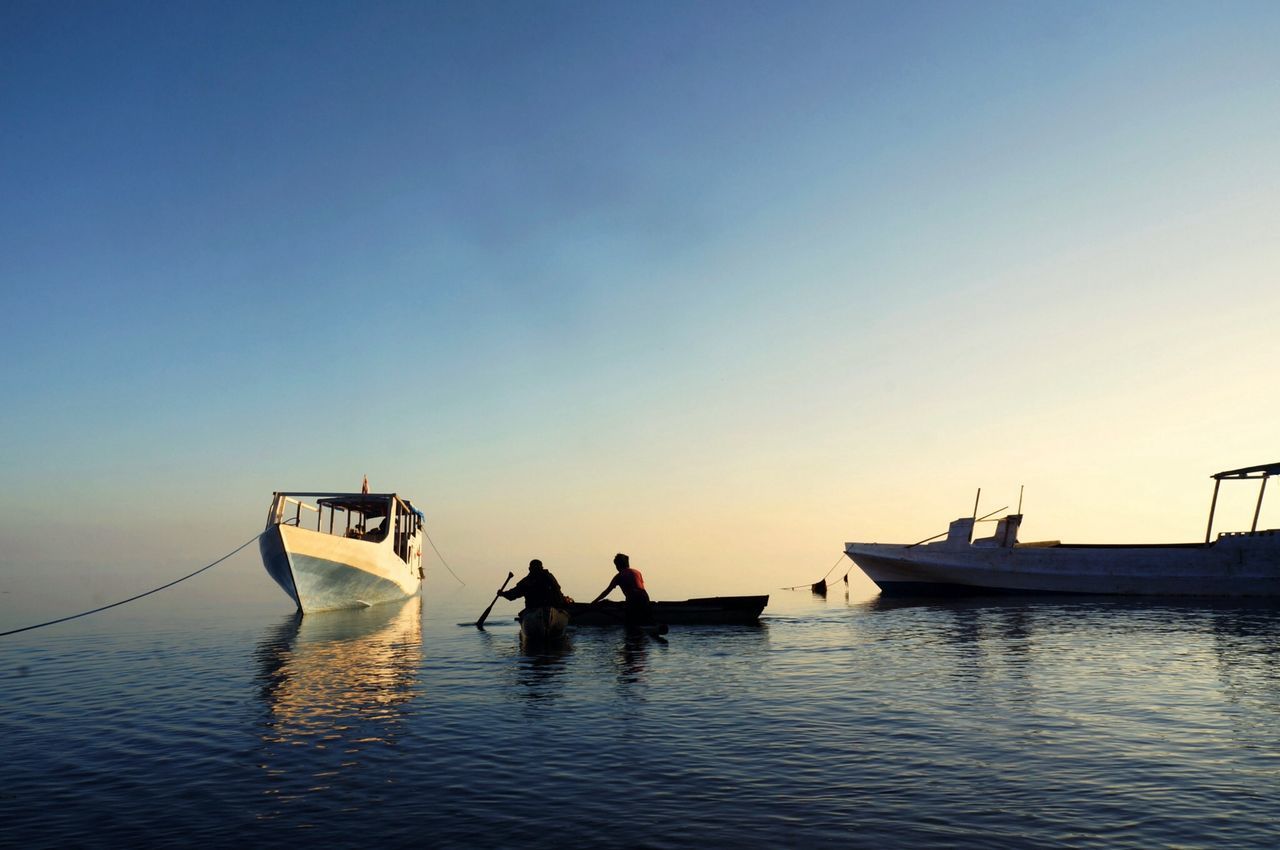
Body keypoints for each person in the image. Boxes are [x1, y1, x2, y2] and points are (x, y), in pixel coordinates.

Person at [592, 552, 654, 629]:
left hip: (632, 599)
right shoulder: (637, 572)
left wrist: (594, 602)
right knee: (644, 620)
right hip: (645, 597)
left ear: (617, 566)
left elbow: (607, 591)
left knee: (629, 626)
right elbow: (640, 588)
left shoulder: (619, 576)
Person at [501, 559, 567, 610]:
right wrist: (503, 594)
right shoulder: (527, 581)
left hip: (549, 608)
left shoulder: (547, 578)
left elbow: (557, 591)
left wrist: (503, 594)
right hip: (535, 609)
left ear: (529, 569)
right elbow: (514, 593)